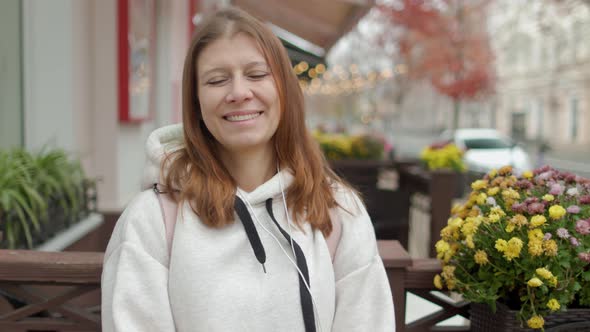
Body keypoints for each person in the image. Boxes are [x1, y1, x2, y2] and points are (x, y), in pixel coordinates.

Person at [101, 7, 394, 332]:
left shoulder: (338, 211)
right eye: (217, 80)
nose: (239, 93)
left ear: (284, 89)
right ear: (196, 101)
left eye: (256, 74)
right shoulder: (152, 220)